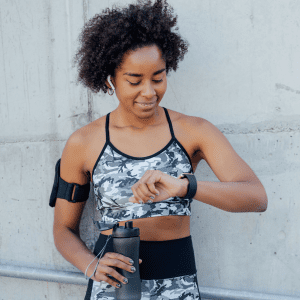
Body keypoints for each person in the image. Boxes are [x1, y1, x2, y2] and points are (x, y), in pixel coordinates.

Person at [52, 0, 268, 299]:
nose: (149, 92)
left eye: (158, 77)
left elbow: (256, 197)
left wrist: (184, 186)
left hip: (178, 287)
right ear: (109, 78)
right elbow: (63, 230)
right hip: (113, 290)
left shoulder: (194, 131)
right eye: (134, 80)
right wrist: (90, 265)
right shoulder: (83, 143)